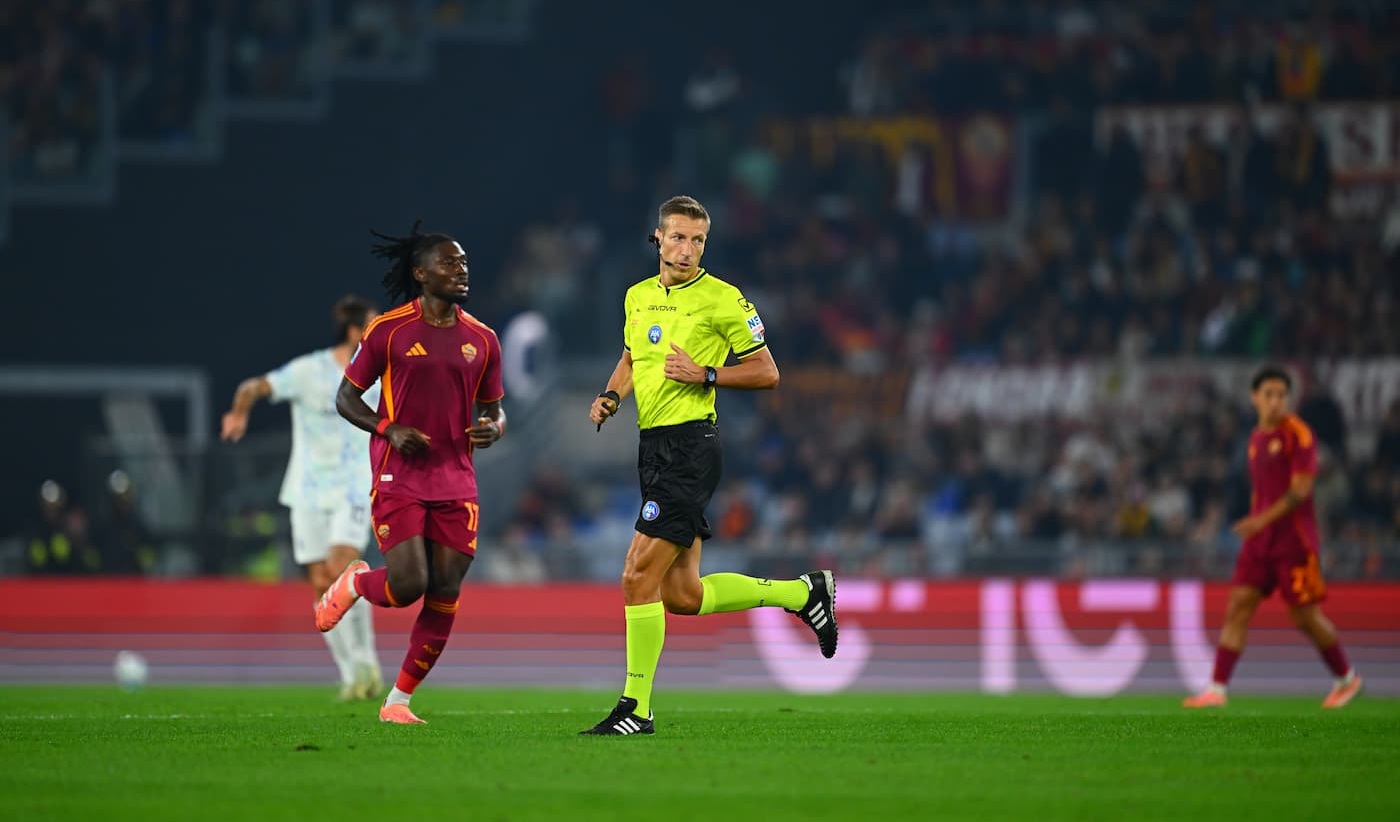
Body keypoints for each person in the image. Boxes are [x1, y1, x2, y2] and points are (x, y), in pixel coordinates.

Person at [584, 195, 837, 736]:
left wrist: (708, 374)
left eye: (697, 240)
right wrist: (611, 396)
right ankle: (803, 593)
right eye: (678, 237)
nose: (687, 249)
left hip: (691, 448)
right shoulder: (636, 296)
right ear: (658, 237)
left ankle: (636, 708)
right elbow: (631, 357)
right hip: (653, 448)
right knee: (682, 595)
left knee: (636, 575)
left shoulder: (723, 299)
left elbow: (768, 372)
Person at [316, 221, 505, 725]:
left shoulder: (483, 339)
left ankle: (398, 701)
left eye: (464, 262)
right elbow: (345, 398)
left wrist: (494, 427)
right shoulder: (388, 330)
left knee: (446, 588)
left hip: (457, 478)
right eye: (449, 263)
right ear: (421, 274)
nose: (461, 270)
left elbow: (494, 409)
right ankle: (356, 583)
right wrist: (388, 428)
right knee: (407, 585)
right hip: (399, 473)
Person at [221, 294, 384, 701]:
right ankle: (351, 674)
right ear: (354, 331)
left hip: (353, 487)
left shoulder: (382, 374)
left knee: (342, 568)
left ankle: (366, 660)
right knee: (320, 584)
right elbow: (254, 386)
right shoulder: (308, 371)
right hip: (307, 490)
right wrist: (239, 412)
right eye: (373, 323)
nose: (381, 328)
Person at [1184, 365, 1362, 709]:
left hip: (1294, 541)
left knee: (1304, 617)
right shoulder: (1255, 438)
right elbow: (1263, 491)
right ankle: (1216, 690)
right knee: (1238, 606)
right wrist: (1256, 523)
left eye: (1282, 395)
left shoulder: (1300, 435)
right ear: (1255, 398)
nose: (1276, 401)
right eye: (1269, 395)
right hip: (1260, 541)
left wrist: (1259, 521)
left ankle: (1347, 678)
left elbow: (1301, 490)